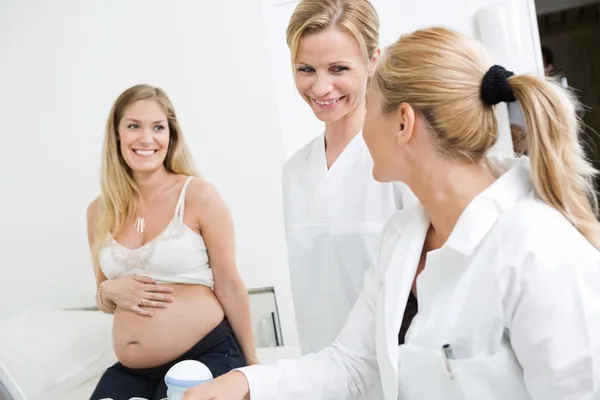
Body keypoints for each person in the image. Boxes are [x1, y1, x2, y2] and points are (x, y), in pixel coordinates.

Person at [182, 26, 600, 400]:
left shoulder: (542, 250)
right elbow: (351, 364)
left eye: (371, 106)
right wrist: (245, 383)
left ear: (403, 122)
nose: (360, 127)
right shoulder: (404, 236)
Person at [86, 84, 257, 400]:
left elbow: (230, 285)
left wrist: (252, 368)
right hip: (133, 371)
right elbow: (104, 297)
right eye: (134, 126)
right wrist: (107, 290)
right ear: (117, 135)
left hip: (206, 353)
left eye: (158, 127)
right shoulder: (98, 212)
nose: (147, 138)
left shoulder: (198, 196)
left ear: (171, 136)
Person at [281, 0, 411, 359]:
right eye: (306, 69)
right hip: (319, 373)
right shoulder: (294, 172)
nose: (321, 88)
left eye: (338, 68)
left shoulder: (401, 158)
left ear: (373, 62)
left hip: (393, 371)